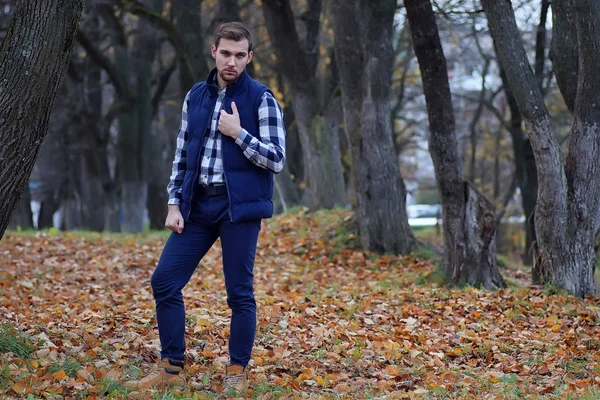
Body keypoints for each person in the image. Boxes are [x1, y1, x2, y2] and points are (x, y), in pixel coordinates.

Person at [125, 22, 286, 395]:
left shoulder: (262, 99)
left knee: (239, 294)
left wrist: (238, 134)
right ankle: (171, 367)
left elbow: (276, 159)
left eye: (239, 55)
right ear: (214, 51)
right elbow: (182, 154)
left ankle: (236, 369)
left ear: (249, 57)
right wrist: (173, 202)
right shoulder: (196, 95)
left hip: (238, 209)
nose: (231, 61)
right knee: (164, 280)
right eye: (225, 53)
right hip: (197, 205)